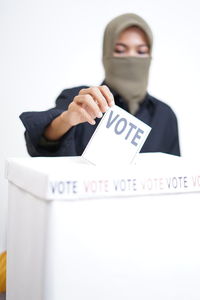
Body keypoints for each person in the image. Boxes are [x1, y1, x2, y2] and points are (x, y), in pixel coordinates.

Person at [20, 13, 181, 157]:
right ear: (106, 53)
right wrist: (67, 119)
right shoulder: (80, 100)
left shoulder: (165, 115)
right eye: (120, 50)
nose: (131, 58)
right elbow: (43, 143)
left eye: (141, 51)